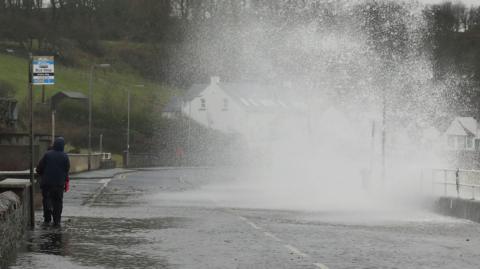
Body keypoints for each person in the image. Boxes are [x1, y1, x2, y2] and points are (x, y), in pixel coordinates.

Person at [36, 137, 70, 227]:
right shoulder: (65, 156)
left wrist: (40, 173)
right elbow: (66, 169)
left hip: (47, 183)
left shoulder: (47, 155)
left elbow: (40, 167)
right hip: (59, 184)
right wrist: (66, 180)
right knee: (58, 201)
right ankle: (57, 220)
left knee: (46, 198)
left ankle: (47, 218)